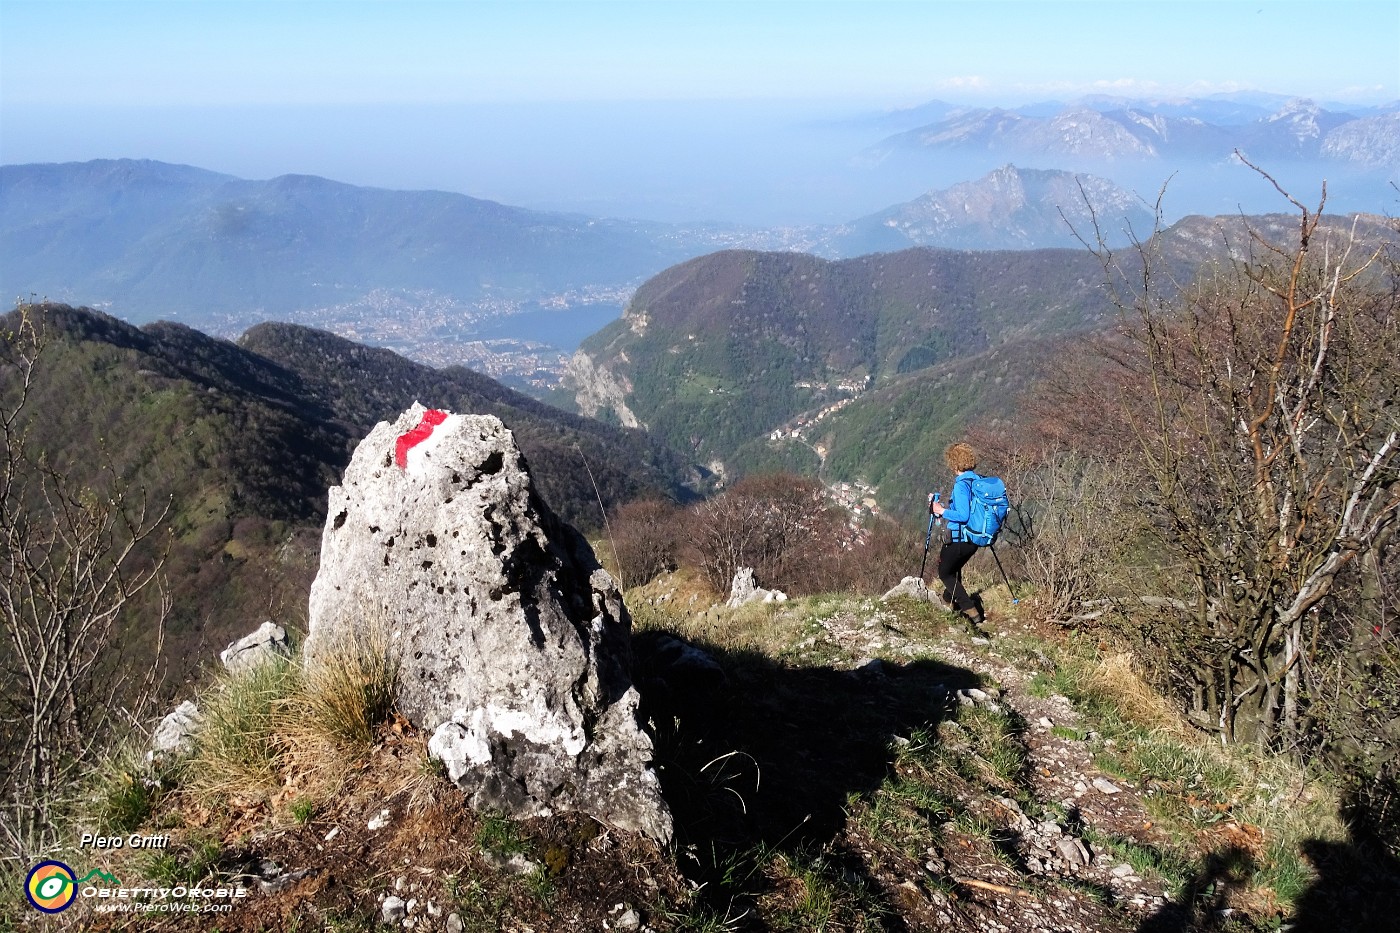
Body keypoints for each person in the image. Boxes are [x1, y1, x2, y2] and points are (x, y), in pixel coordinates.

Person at [929, 441, 985, 626]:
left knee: (945, 573)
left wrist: (941, 510)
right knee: (954, 570)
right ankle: (950, 601)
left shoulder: (961, 485)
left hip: (959, 537)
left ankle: (971, 610)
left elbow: (962, 515)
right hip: (974, 539)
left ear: (954, 463)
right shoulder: (977, 481)